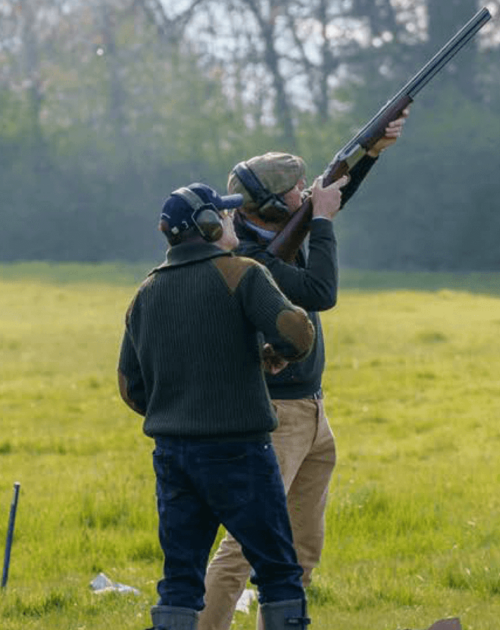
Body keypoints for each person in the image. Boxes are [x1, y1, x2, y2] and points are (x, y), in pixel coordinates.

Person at [197, 112, 407, 630]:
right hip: (276, 414)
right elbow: (321, 293)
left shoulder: (275, 229)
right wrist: (324, 221)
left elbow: (328, 195)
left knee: (300, 548)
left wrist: (371, 152)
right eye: (294, 190)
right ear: (272, 206)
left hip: (312, 412)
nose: (303, 192)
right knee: (245, 546)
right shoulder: (248, 256)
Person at [117, 183, 317, 630]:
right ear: (208, 226)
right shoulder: (241, 273)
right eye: (222, 217)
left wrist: (181, 402)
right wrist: (272, 354)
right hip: (239, 450)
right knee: (279, 573)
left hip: (172, 454)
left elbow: (132, 388)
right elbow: (297, 334)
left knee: (179, 580)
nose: (230, 221)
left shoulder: (145, 293)